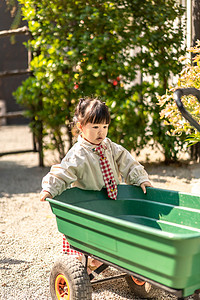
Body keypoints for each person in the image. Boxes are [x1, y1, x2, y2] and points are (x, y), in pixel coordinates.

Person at [40, 97, 152, 202]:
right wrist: (49, 189)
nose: (101, 132)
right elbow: (64, 172)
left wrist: (140, 179)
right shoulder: (78, 154)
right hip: (89, 202)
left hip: (114, 199)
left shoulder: (110, 147)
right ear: (80, 126)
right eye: (95, 127)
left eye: (105, 127)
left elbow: (128, 162)